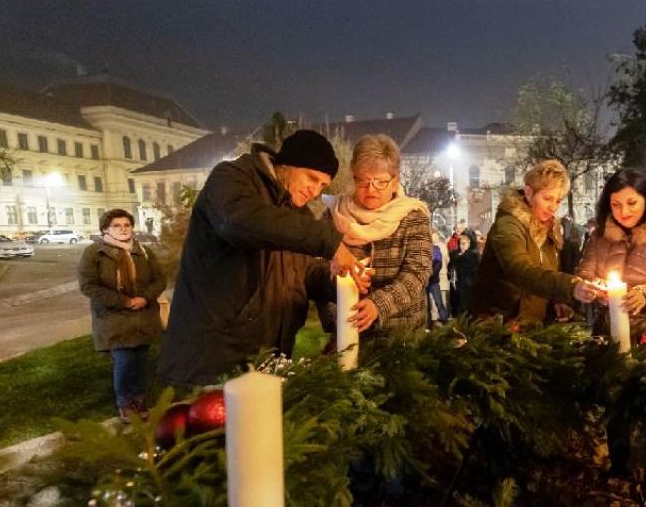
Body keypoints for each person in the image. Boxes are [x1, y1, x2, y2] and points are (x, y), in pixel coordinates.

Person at [158, 129, 364, 388]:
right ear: (287, 164)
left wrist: (340, 281)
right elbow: (240, 221)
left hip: (266, 359)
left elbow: (304, 272)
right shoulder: (232, 179)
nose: (314, 191)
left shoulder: (296, 215)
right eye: (311, 178)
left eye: (322, 185)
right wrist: (330, 241)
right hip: (213, 359)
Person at [320, 134, 433, 334]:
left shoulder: (413, 217)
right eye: (363, 181)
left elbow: (417, 273)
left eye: (380, 182)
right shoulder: (334, 214)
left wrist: (379, 304)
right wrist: (334, 319)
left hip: (401, 336)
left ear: (395, 180)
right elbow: (316, 269)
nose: (371, 189)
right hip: (346, 330)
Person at [471, 159, 599, 322]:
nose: (553, 207)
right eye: (547, 198)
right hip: (499, 324)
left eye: (558, 200)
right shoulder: (508, 226)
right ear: (529, 193)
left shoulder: (550, 229)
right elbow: (520, 270)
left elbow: (545, 273)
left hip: (533, 327)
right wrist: (570, 286)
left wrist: (556, 302)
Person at [576, 168, 646, 345]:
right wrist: (592, 288)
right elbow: (585, 271)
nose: (623, 212)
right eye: (616, 205)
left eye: (632, 203)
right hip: (609, 330)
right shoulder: (601, 235)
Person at [78, 209, 166, 422]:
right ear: (105, 229)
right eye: (117, 225)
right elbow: (89, 286)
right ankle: (126, 403)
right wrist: (124, 301)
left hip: (143, 316)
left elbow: (159, 280)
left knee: (140, 361)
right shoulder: (94, 253)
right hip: (114, 318)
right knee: (125, 361)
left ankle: (139, 398)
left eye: (126, 225)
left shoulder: (143, 252)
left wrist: (145, 298)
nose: (123, 229)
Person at [448, 231, 480, 317]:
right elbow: (451, 264)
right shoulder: (457, 253)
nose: (461, 246)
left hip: (468, 288)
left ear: (471, 242)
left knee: (465, 312)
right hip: (458, 287)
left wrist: (458, 257)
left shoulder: (473, 254)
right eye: (460, 243)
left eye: (464, 243)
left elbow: (459, 260)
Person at [427, 230, 450, 328]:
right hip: (427, 280)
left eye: (435, 236)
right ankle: (429, 323)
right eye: (432, 236)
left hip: (433, 280)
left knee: (438, 301)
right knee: (428, 303)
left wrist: (431, 274)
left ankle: (444, 320)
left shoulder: (436, 249)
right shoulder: (426, 248)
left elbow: (439, 263)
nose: (434, 238)